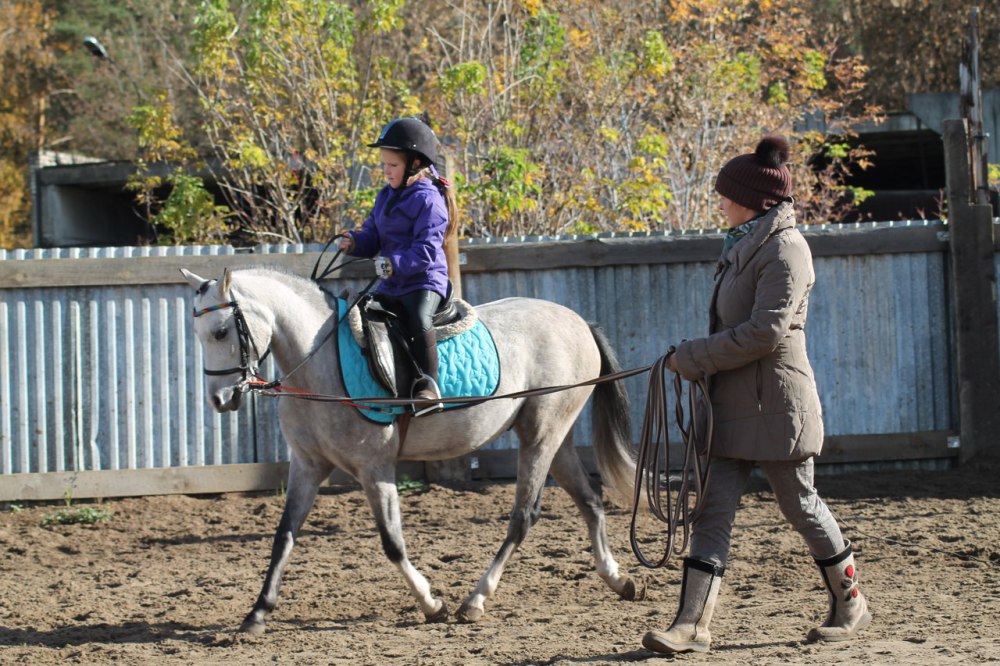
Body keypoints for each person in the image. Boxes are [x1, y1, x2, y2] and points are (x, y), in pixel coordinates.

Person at [642, 135, 871, 654]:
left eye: (726, 194)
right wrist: (693, 360)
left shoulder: (787, 250)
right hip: (729, 406)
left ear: (753, 199)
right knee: (711, 511)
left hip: (776, 407)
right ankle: (690, 625)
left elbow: (766, 333)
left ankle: (850, 601)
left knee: (802, 507)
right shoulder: (744, 244)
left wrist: (694, 357)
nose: (719, 202)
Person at [338, 116, 458, 417]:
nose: (386, 171)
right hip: (393, 283)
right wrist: (355, 242)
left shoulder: (429, 201)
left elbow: (426, 250)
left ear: (415, 164)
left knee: (418, 318)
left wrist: (393, 264)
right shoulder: (385, 196)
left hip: (424, 282)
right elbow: (374, 235)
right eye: (384, 164)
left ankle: (430, 386)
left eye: (392, 165)